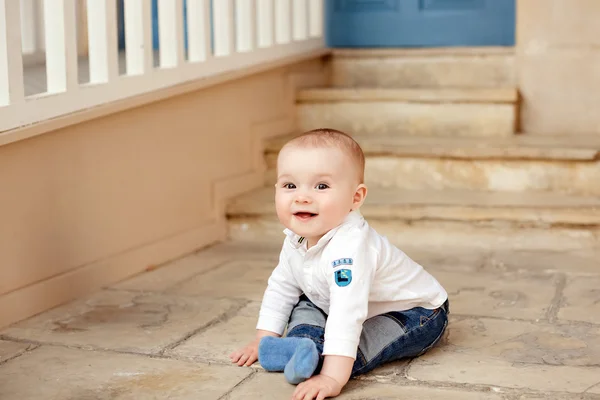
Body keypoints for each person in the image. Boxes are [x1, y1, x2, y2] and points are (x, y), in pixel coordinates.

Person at [230, 128, 449, 400]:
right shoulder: (296, 238)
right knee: (305, 302)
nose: (302, 197)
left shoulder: (351, 248)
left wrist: (332, 377)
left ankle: (320, 363)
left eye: (321, 186)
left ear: (355, 198)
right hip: (338, 299)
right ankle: (299, 346)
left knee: (365, 339)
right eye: (290, 185)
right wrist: (264, 338)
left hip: (415, 312)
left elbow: (347, 313)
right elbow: (281, 287)